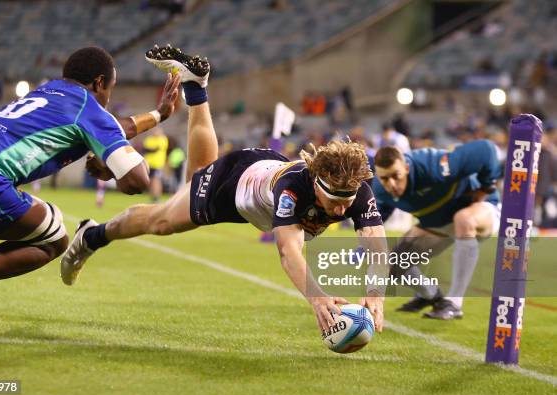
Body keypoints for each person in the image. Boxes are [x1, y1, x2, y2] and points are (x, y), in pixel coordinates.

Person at [61, 45, 386, 334]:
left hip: (259, 167)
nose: (343, 211)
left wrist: (374, 297)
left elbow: (376, 245)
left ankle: (197, 87)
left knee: (196, 171)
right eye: (335, 202)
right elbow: (289, 251)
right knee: (160, 221)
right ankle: (92, 235)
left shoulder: (355, 190)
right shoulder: (293, 190)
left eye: (348, 203)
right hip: (230, 187)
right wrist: (317, 298)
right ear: (317, 183)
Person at [0, 46, 180, 336]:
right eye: (111, 87)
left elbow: (113, 128)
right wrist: (108, 167)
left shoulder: (50, 91)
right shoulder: (90, 108)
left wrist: (159, 114)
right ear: (99, 83)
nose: (109, 96)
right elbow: (137, 181)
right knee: (54, 238)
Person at [372, 141, 502, 319]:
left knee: (463, 219)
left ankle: (454, 303)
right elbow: (378, 215)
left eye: (396, 175)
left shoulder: (433, 167)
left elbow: (486, 149)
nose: (392, 184)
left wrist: (487, 187)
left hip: (479, 210)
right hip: (438, 223)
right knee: (393, 264)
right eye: (385, 178)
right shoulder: (379, 188)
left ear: (407, 168)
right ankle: (431, 295)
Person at [143, 127, 169, 202]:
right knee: (150, 180)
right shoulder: (149, 139)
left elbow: (154, 149)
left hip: (157, 164)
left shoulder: (163, 139)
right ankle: (152, 196)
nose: (155, 132)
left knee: (156, 180)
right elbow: (145, 149)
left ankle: (157, 196)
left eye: (157, 131)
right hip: (148, 163)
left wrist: (149, 149)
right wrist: (150, 149)